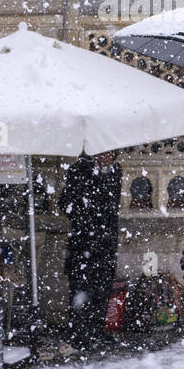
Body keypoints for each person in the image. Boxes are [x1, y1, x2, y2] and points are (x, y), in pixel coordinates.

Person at [59, 150, 123, 353]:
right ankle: (80, 335)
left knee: (102, 288)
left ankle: (96, 330)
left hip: (105, 242)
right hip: (83, 243)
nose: (109, 158)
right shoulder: (79, 169)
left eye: (112, 155)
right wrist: (86, 219)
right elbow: (66, 203)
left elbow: (111, 205)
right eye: (105, 154)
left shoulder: (114, 171)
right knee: (81, 290)